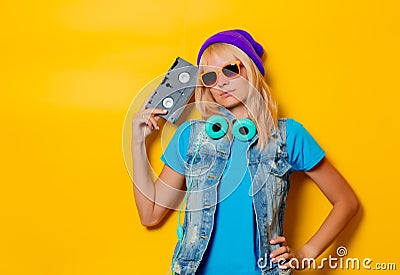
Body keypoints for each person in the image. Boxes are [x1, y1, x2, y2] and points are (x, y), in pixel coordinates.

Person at [131, 29, 359, 275]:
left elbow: (346, 202)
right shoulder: (191, 137)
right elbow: (150, 215)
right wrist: (138, 144)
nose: (221, 82)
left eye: (230, 69)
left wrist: (305, 254)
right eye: (210, 77)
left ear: (251, 69)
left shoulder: (287, 136)